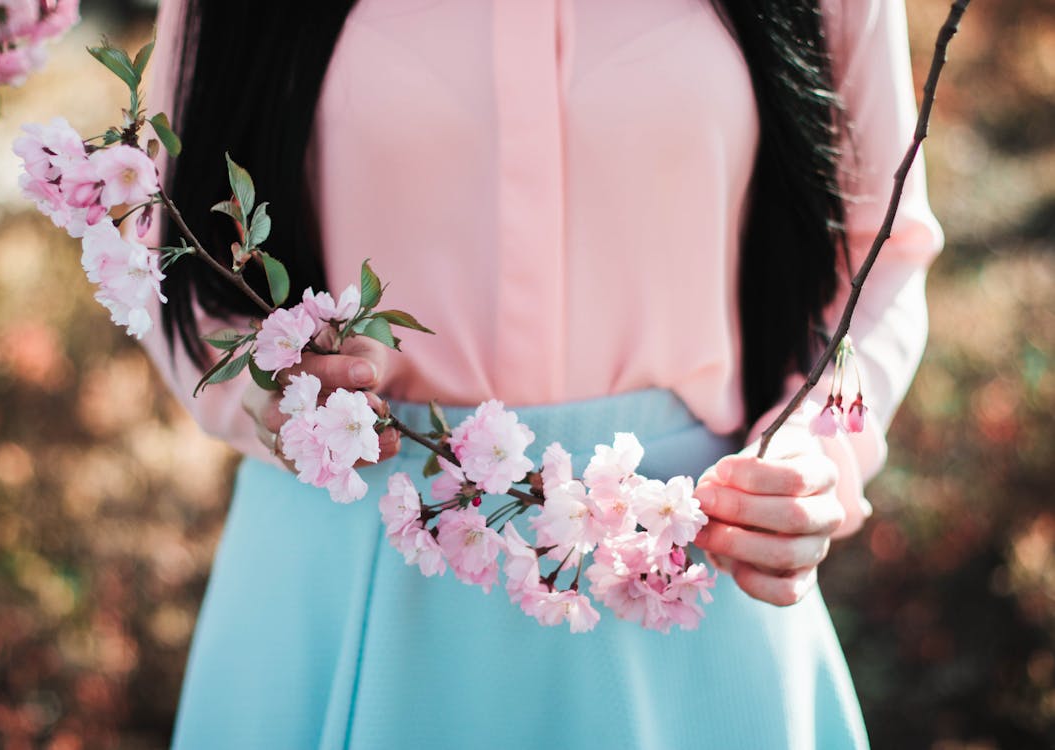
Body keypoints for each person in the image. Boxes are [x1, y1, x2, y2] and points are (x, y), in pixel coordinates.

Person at [139, 0, 943, 747]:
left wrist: (810, 452)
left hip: (680, 554)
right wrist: (262, 390)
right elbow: (164, 240)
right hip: (346, 560)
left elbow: (880, 251)